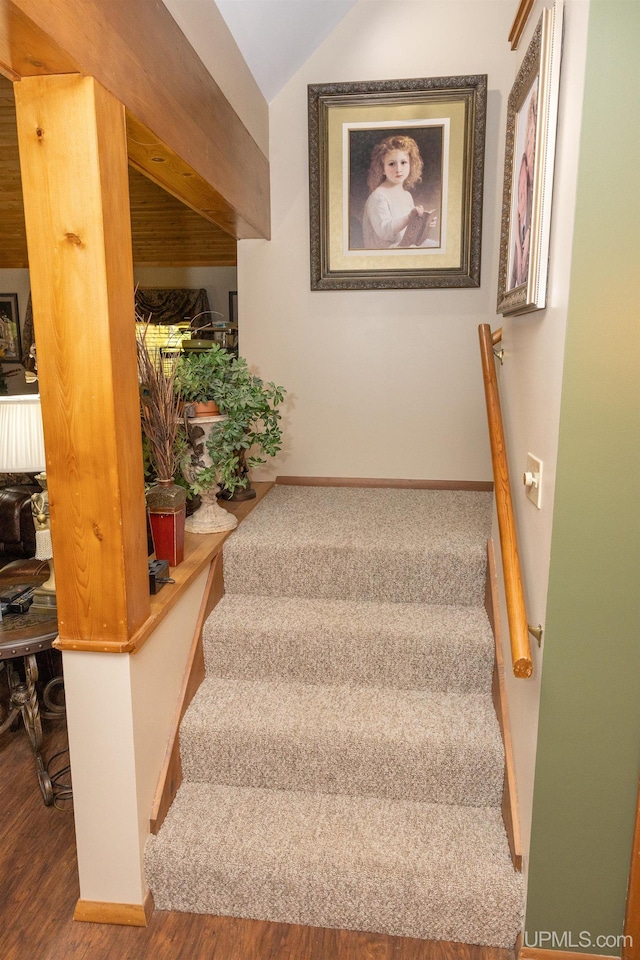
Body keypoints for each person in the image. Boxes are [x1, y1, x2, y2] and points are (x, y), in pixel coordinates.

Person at [361, 135, 437, 249]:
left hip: (404, 245)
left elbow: (409, 233)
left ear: (411, 164)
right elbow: (385, 232)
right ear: (382, 168)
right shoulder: (378, 196)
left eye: (403, 162)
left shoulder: (407, 195)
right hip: (387, 252)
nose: (398, 169)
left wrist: (424, 225)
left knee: (435, 245)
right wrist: (408, 218)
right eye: (392, 164)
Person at [510, 154, 531, 289]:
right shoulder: (518, 226)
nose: (522, 192)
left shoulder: (529, 230)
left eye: (526, 186)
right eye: (521, 186)